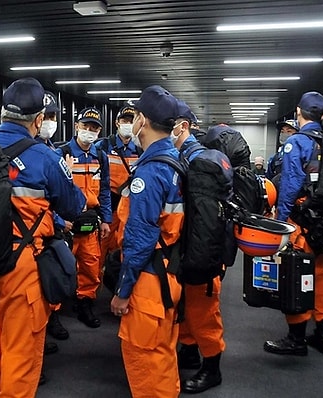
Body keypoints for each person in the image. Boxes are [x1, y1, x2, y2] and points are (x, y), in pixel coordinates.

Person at [0, 77, 86, 398]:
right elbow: (74, 207)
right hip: (21, 271)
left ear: (2, 114)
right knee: (20, 358)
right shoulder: (45, 158)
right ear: (38, 120)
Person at [110, 85, 184, 397]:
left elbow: (139, 239)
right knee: (163, 356)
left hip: (149, 282)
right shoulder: (175, 161)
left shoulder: (150, 173)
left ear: (143, 120)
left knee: (144, 360)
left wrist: (122, 292)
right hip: (169, 273)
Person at [263, 91, 323, 356]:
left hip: (301, 222)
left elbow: (291, 186)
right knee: (322, 276)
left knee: (295, 276)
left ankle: (296, 338)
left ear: (298, 112)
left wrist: (280, 224)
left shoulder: (297, 143)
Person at [170, 99, 225, 394]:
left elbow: (203, 217)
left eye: (170, 124)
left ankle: (212, 368)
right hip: (191, 248)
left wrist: (201, 260)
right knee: (188, 307)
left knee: (204, 312)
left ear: (183, 127)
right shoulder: (187, 156)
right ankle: (190, 351)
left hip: (200, 252)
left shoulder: (197, 162)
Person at [57, 107, 112, 328]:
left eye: (94, 128)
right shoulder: (61, 154)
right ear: (76, 126)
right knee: (60, 266)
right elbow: (53, 191)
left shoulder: (100, 156)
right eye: (85, 126)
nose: (89, 131)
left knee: (91, 265)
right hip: (67, 223)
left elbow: (105, 190)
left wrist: (106, 219)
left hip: (91, 221)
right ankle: (53, 314)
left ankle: (85, 303)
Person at [36, 90, 70, 344]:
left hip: (49, 232)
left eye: (53, 116)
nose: (49, 121)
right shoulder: (39, 155)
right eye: (45, 116)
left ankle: (52, 321)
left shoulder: (53, 151)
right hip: (33, 237)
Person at [94, 101, 142, 279]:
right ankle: (91, 293)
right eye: (124, 120)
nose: (128, 124)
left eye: (131, 120)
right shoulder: (103, 147)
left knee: (121, 250)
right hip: (108, 208)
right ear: (117, 122)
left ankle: (116, 288)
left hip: (128, 210)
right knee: (98, 252)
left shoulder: (139, 150)